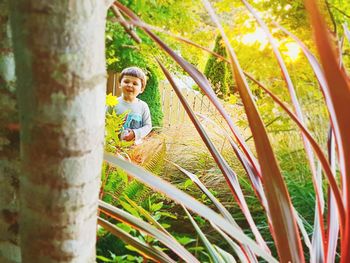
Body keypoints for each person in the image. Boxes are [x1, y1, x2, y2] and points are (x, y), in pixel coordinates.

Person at [110, 67, 152, 144]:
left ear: (141, 89)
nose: (130, 85)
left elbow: (148, 126)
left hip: (135, 149)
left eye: (135, 83)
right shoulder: (113, 103)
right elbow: (103, 122)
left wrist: (135, 133)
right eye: (126, 81)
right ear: (119, 84)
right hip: (114, 147)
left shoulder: (143, 106)